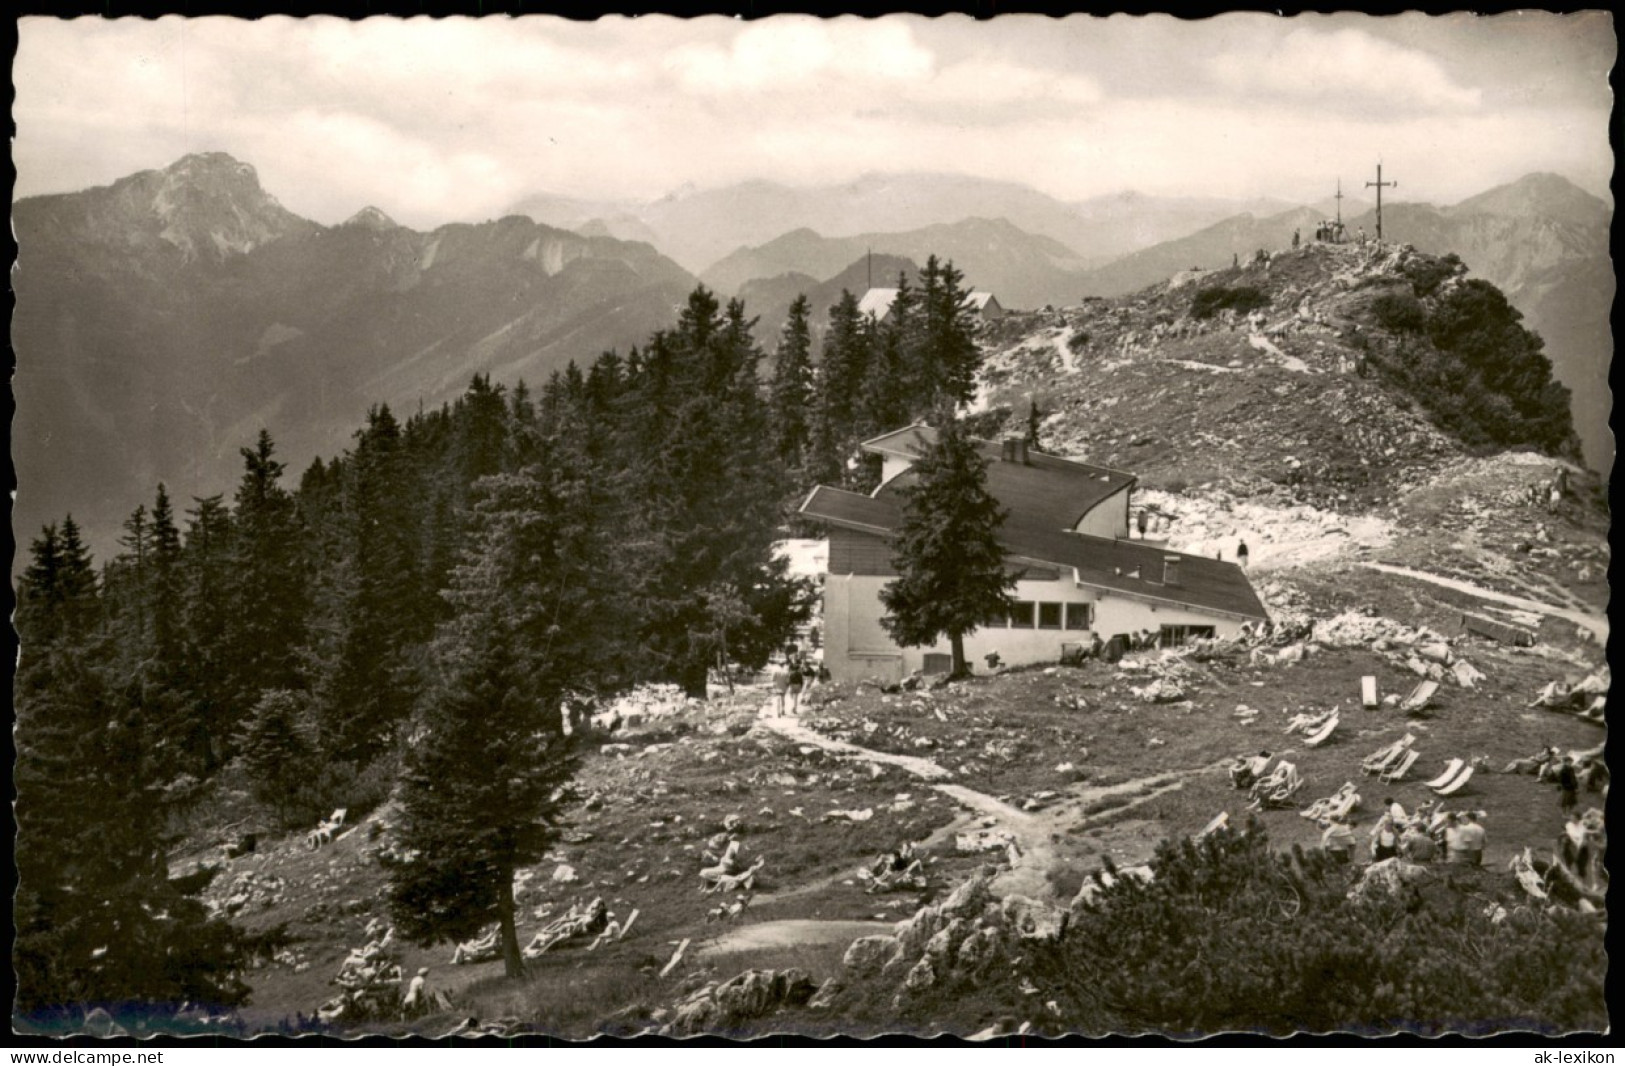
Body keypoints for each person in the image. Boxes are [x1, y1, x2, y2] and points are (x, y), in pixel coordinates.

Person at [786, 651, 806, 716]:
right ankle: (794, 708)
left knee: (793, 696)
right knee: (794, 697)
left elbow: (788, 675)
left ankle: (794, 708)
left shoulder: (792, 666)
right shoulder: (796, 667)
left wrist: (788, 684)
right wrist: (801, 686)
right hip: (797, 684)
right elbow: (802, 679)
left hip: (793, 684)